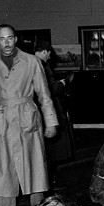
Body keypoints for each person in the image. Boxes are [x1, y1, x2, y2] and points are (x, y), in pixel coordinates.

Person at [0, 24, 58, 206]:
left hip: (27, 120)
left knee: (35, 173)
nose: (6, 43)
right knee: (1, 175)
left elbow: (44, 95)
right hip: (0, 123)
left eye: (10, 38)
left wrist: (51, 121)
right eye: (2, 39)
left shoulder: (32, 62)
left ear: (16, 39)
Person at [34, 40, 75, 188]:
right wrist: (63, 83)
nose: (50, 57)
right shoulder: (41, 66)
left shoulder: (29, 64)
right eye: (49, 54)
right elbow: (49, 90)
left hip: (38, 112)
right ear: (44, 51)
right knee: (52, 151)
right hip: (48, 112)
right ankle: (50, 181)